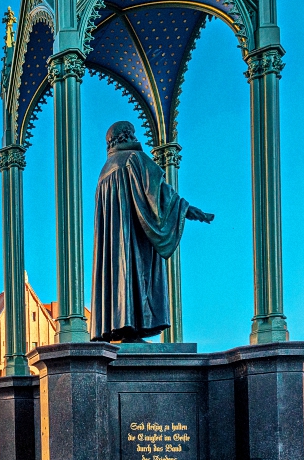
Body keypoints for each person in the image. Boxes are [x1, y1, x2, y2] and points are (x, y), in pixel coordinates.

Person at [90, 121, 213, 341]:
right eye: (132, 134)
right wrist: (188, 210)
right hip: (134, 240)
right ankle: (133, 326)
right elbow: (160, 195)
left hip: (116, 246)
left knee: (119, 273)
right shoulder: (134, 159)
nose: (136, 138)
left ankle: (120, 324)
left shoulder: (104, 173)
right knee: (137, 273)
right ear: (125, 136)